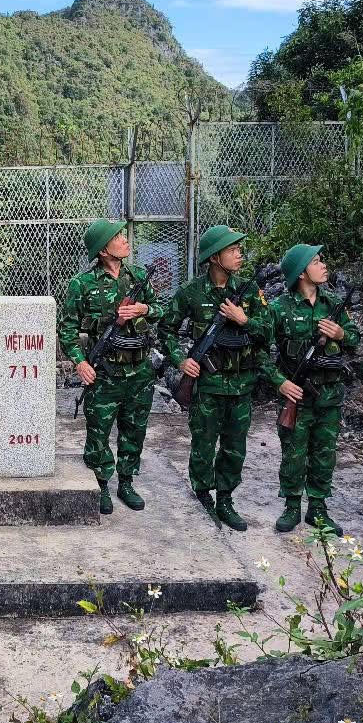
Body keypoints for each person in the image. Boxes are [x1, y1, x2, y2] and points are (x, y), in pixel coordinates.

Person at [161, 225, 270, 531]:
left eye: (239, 249)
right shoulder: (191, 293)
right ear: (214, 257)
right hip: (207, 386)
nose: (239, 254)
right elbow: (166, 329)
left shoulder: (249, 291)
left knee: (235, 447)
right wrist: (181, 361)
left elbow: (268, 332)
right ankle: (202, 496)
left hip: (241, 386)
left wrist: (243, 319)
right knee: (204, 445)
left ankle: (225, 499)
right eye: (232, 250)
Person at [59, 220, 164, 513]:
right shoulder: (82, 284)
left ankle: (126, 482)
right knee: (99, 431)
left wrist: (144, 309)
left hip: (140, 371)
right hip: (105, 372)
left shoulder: (139, 276)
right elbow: (66, 328)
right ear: (104, 250)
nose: (125, 239)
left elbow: (161, 311)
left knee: (134, 430)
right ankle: (101, 483)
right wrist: (79, 363)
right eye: (118, 237)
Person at [261, 244, 359, 535]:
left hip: (330, 395)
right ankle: (292, 506)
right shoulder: (280, 309)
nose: (323, 265)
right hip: (298, 394)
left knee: (324, 453)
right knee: (294, 452)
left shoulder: (334, 304)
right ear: (302, 272)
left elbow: (354, 341)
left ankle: (318, 509)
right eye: (316, 262)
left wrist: (341, 334)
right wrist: (280, 382)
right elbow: (259, 351)